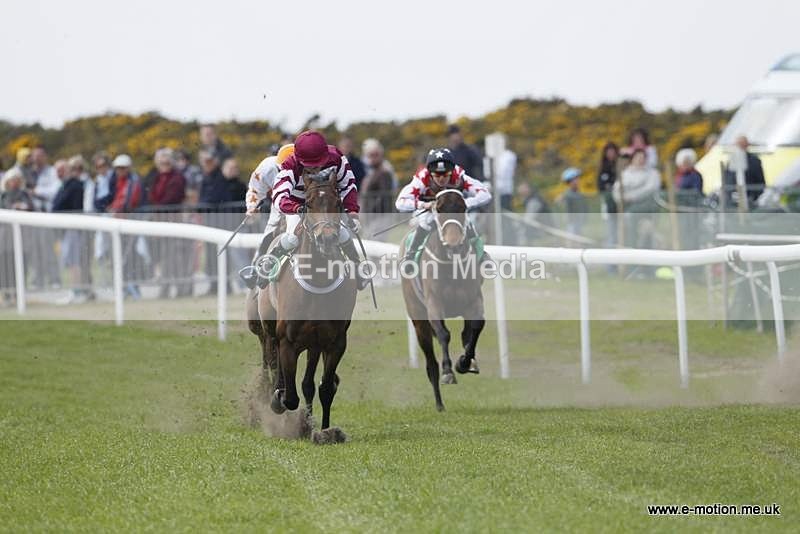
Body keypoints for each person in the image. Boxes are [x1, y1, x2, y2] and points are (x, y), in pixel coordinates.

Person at [264, 130, 370, 289]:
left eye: (319, 162)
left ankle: (358, 269)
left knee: (342, 233)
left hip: (324, 204)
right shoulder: (290, 164)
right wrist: (297, 208)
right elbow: (278, 197)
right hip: (297, 205)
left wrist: (352, 212)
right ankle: (266, 266)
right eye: (310, 165)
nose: (316, 168)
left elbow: (348, 186)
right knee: (292, 236)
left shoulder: (337, 158)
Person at [395, 147, 491, 266]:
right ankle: (411, 256)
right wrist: (423, 204)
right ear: (430, 173)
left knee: (467, 222)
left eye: (446, 175)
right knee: (425, 223)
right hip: (430, 211)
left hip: (453, 212)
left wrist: (465, 203)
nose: (441, 179)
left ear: (451, 171)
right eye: (437, 175)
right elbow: (400, 202)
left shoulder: (459, 176)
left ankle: (482, 255)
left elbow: (485, 194)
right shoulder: (421, 179)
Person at [238, 144, 295, 289]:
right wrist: (252, 206)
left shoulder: (310, 166)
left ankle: (354, 265)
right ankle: (257, 270)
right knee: (271, 229)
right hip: (280, 202)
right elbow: (255, 189)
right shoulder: (267, 167)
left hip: (303, 201)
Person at [52, 156, 87, 304]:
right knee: (70, 261)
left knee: (74, 261)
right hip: (67, 228)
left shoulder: (75, 185)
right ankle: (75, 291)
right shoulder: (66, 185)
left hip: (74, 226)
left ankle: (77, 292)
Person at [724, 135, 765, 207]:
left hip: (750, 199)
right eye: (738, 145)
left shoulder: (754, 161)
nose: (740, 147)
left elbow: (760, 181)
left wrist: (754, 196)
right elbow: (728, 180)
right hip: (733, 199)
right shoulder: (731, 161)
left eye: (742, 145)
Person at [558, 167, 587, 240]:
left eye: (578, 178)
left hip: (579, 223)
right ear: (570, 181)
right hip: (571, 224)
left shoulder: (578, 194)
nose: (578, 180)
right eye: (575, 179)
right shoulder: (567, 195)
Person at [31, 147, 62, 212]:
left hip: (48, 211)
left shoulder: (53, 171)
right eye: (35, 156)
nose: (37, 158)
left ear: (45, 157)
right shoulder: (27, 173)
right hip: (30, 212)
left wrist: (36, 192)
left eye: (39, 156)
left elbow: (55, 192)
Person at [493, 137, 517, 210]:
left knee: (505, 213)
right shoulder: (494, 155)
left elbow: (502, 171)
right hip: (494, 190)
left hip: (504, 189)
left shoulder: (509, 155)